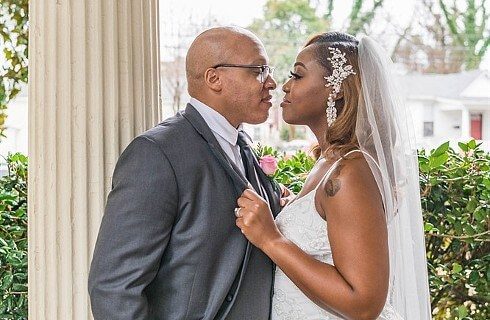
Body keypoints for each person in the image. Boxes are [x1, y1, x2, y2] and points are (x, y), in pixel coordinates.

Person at [88, 26, 286, 320]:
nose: (271, 82)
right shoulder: (156, 153)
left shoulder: (241, 144)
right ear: (214, 78)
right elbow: (113, 288)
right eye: (258, 70)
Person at [235, 32, 431, 319]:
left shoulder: (350, 172)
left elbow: (364, 304)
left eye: (297, 76)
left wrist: (271, 239)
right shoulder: (329, 161)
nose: (285, 87)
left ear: (336, 88)